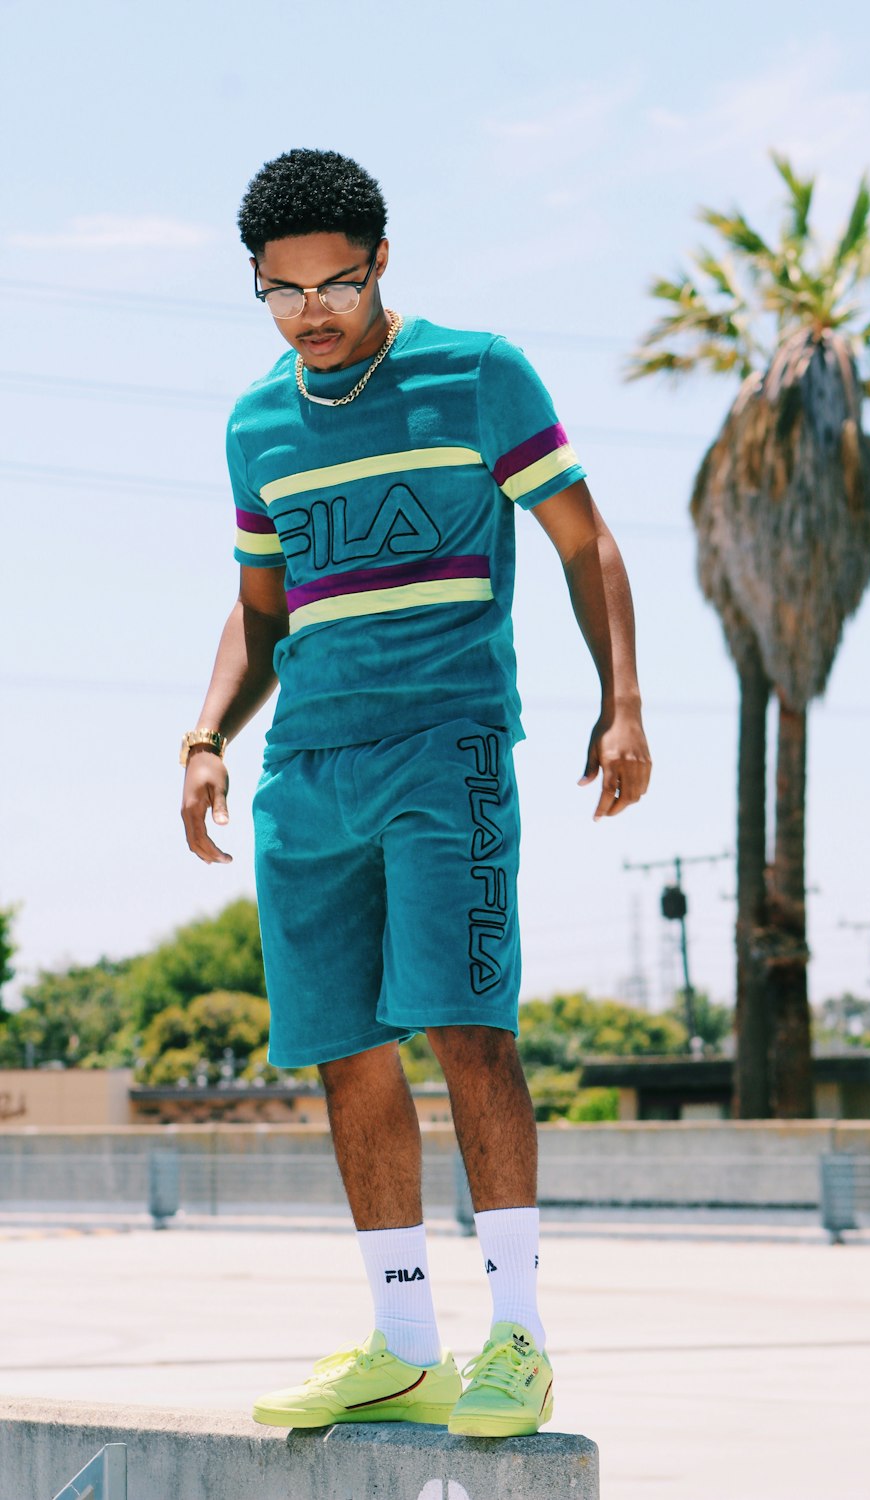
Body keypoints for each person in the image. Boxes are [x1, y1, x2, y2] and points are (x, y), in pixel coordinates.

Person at [180, 147, 651, 1439]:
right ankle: (402, 1344)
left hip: (447, 750)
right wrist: (209, 734)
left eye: (334, 284)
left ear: (382, 261)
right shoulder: (255, 423)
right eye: (281, 293)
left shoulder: (480, 374)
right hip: (307, 772)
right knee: (345, 1052)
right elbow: (259, 609)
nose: (310, 315)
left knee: (466, 1031)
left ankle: (520, 1338)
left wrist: (622, 703)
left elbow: (585, 540)